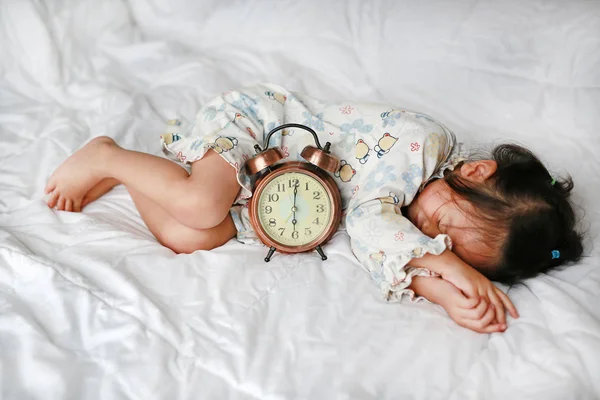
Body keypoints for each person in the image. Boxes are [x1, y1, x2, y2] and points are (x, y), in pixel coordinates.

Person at [44, 83, 584, 334]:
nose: (425, 232)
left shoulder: (405, 216)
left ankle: (129, 168)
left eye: (440, 243)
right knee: (202, 202)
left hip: (279, 194)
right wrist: (446, 264)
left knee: (192, 237)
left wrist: (442, 292)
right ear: (475, 173)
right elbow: (372, 223)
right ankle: (104, 153)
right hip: (262, 134)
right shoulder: (425, 145)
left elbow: (384, 252)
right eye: (441, 225)